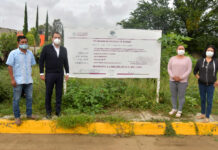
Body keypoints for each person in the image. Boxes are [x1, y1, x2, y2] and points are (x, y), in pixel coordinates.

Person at [6, 35, 36, 126]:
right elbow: (9, 66)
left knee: (29, 98)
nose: (24, 44)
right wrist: (12, 79)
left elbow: (32, 65)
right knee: (16, 99)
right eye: (22, 42)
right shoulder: (13, 53)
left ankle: (29, 114)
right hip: (18, 81)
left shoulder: (30, 53)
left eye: (25, 42)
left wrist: (31, 75)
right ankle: (17, 116)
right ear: (18, 43)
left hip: (28, 80)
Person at [39, 32, 69, 119]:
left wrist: (67, 73)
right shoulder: (46, 48)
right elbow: (41, 61)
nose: (57, 39)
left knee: (59, 93)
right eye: (55, 37)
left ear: (61, 39)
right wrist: (41, 73)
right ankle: (48, 112)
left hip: (60, 74)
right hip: (49, 74)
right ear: (52, 38)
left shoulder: (64, 49)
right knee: (48, 93)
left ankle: (58, 111)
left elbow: (66, 62)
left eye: (59, 37)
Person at [194, 45, 218, 123]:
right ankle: (203, 114)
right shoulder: (200, 61)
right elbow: (195, 71)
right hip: (201, 84)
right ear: (205, 51)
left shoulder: (216, 61)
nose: (210, 52)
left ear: (214, 52)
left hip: (211, 84)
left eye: (212, 51)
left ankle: (207, 116)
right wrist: (199, 78)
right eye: (208, 50)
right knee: (203, 99)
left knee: (209, 100)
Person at [168, 45, 192, 117]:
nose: (181, 50)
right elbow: (169, 68)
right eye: (179, 48)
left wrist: (181, 77)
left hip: (183, 81)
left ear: (184, 50)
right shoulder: (172, 58)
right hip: (172, 80)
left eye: (182, 49)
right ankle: (174, 108)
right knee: (173, 95)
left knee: (181, 96)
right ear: (176, 50)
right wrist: (172, 76)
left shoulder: (188, 59)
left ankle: (180, 110)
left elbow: (189, 70)